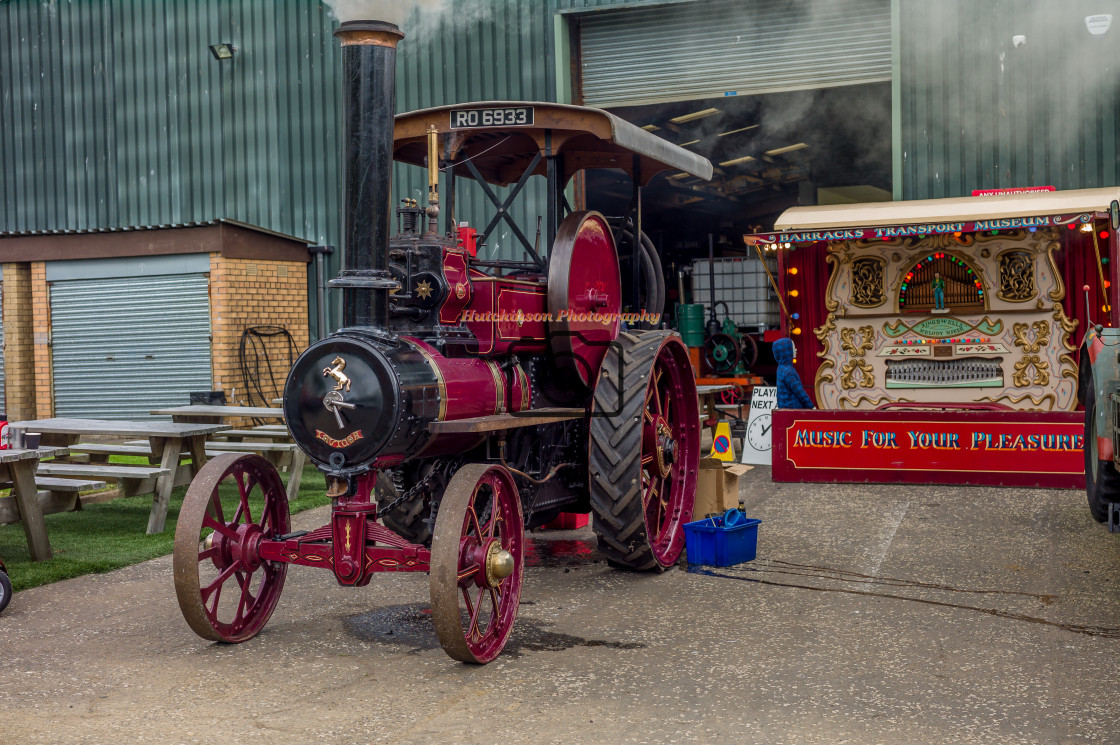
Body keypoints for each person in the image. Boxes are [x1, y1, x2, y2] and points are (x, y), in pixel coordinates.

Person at [773, 337, 815, 409]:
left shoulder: (781, 368)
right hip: (793, 410)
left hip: (784, 409)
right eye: (792, 348)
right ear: (786, 351)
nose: (795, 349)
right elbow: (800, 392)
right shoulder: (788, 372)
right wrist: (812, 406)